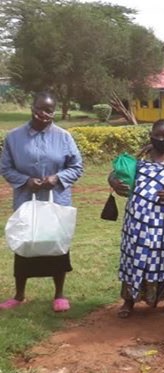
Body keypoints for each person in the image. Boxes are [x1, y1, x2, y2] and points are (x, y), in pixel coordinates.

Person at [0, 91, 84, 312]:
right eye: (40, 108)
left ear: (54, 112)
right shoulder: (14, 137)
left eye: (49, 110)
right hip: (26, 201)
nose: (44, 114)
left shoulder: (64, 137)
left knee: (57, 244)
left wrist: (57, 178)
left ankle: (59, 294)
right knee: (24, 244)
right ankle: (19, 295)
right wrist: (25, 181)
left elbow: (76, 166)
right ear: (32, 107)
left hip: (56, 201)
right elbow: (6, 168)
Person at [109, 119, 164, 318]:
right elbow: (117, 173)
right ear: (151, 136)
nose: (161, 139)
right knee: (133, 255)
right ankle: (129, 300)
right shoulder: (142, 155)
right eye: (157, 135)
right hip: (136, 219)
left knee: (163, 256)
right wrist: (114, 183)